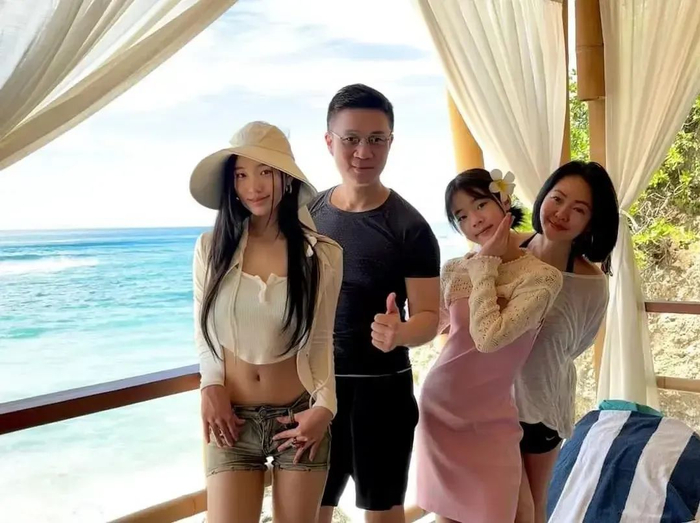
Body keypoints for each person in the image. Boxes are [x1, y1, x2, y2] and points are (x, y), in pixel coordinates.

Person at [190, 121, 343, 523]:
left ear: (287, 179)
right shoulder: (210, 248)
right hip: (232, 420)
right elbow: (204, 332)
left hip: (298, 417)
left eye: (265, 172)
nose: (253, 187)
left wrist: (325, 408)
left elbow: (322, 339)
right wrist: (210, 385)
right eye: (241, 175)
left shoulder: (323, 254)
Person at [309, 84, 441, 523]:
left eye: (376, 139)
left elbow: (429, 316)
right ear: (329, 141)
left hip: (382, 395)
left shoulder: (410, 228)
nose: (363, 152)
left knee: (382, 513)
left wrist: (401, 332)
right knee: (307, 510)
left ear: (390, 142)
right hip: (314, 391)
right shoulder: (307, 215)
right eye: (350, 138)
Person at [415, 168, 563, 523]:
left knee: (519, 513)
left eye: (480, 204)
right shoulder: (455, 269)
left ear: (504, 201)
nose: (474, 220)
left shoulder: (542, 277)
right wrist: (400, 327)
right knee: (453, 514)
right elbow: (431, 325)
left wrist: (486, 265)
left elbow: (489, 338)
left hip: (494, 415)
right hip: (443, 406)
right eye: (461, 216)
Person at [513, 161, 620, 523]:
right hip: (492, 404)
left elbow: (576, 345)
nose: (561, 214)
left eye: (579, 209)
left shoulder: (591, 284)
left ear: (590, 222)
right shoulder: (507, 248)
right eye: (557, 199)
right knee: (503, 505)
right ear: (543, 196)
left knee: (533, 508)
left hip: (543, 406)